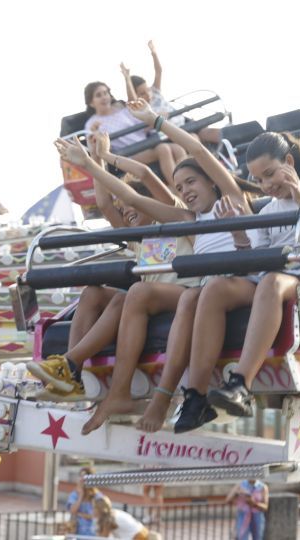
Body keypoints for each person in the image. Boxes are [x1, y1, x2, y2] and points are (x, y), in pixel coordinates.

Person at [55, 99, 258, 434]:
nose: (185, 192)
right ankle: (79, 373)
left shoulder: (231, 199)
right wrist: (91, 166)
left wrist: (155, 121)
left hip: (220, 290)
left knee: (149, 292)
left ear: (211, 181)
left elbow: (193, 150)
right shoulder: (188, 220)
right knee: (123, 292)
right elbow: (130, 199)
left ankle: (155, 395)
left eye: (190, 183)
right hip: (199, 295)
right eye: (179, 188)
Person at [175, 131, 300, 432]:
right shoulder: (269, 209)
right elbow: (257, 258)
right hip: (269, 275)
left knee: (272, 282)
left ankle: (240, 386)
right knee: (216, 288)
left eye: (270, 175)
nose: (266, 186)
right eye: (259, 181)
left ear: (288, 162)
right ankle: (195, 397)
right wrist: (239, 237)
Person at [29, 134, 190, 400]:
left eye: (131, 203)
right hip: (149, 301)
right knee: (93, 293)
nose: (126, 210)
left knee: (123, 301)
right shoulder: (138, 240)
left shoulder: (176, 218)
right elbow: (104, 204)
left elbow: (145, 175)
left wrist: (104, 156)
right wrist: (93, 161)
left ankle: (68, 362)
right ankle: (72, 376)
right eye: (123, 209)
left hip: (181, 295)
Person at [83, 81, 186, 187]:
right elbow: (96, 148)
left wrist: (156, 117)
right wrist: (95, 133)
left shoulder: (122, 110)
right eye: (99, 95)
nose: (104, 97)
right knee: (163, 149)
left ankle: (187, 180)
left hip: (146, 144)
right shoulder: (91, 124)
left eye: (105, 93)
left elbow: (143, 124)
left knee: (178, 148)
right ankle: (178, 188)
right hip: (127, 154)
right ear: (91, 102)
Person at [121, 40, 220, 144]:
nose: (147, 94)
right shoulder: (141, 108)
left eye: (147, 90)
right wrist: (127, 79)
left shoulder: (155, 92)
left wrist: (154, 53)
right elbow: (132, 99)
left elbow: (158, 72)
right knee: (193, 138)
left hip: (182, 122)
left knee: (209, 132)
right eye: (142, 93)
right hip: (170, 132)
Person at [67, 466, 98, 537]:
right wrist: (80, 496)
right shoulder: (74, 495)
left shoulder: (96, 495)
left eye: (84, 477)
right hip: (77, 534)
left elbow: (96, 516)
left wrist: (81, 514)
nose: (81, 480)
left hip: (93, 535)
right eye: (81, 476)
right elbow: (72, 510)